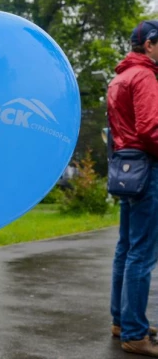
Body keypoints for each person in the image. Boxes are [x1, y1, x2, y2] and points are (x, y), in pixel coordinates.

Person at [108, 20, 158, 357]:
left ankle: (122, 320)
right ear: (150, 45)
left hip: (126, 171)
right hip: (148, 170)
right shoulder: (144, 76)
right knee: (142, 252)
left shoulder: (119, 78)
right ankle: (135, 334)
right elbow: (151, 128)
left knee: (126, 248)